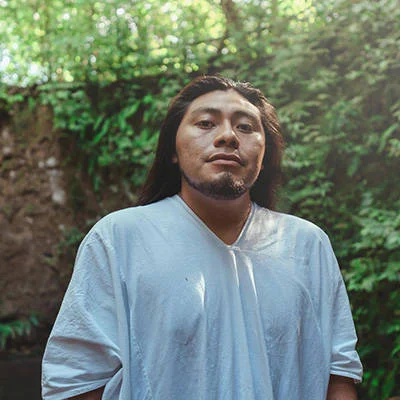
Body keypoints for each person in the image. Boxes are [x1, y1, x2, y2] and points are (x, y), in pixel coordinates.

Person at [42, 75, 363, 400]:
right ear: (172, 150)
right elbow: (76, 379)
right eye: (206, 123)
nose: (227, 136)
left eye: (245, 127)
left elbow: (339, 374)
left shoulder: (306, 244)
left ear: (265, 153)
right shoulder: (120, 239)